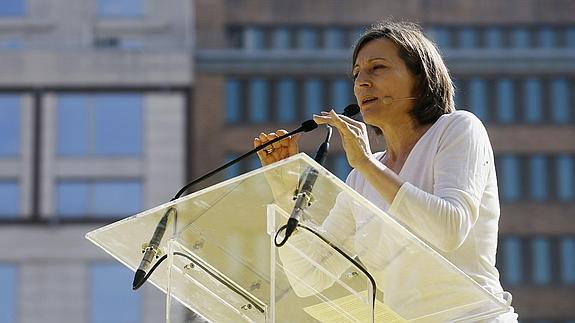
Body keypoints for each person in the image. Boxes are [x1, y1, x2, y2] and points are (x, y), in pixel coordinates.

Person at [254, 21, 517, 322]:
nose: (362, 82)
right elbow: (309, 278)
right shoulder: (361, 177)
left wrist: (366, 163)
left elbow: (448, 230)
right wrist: (286, 190)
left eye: (377, 68)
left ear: (420, 76)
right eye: (356, 74)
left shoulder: (457, 129)